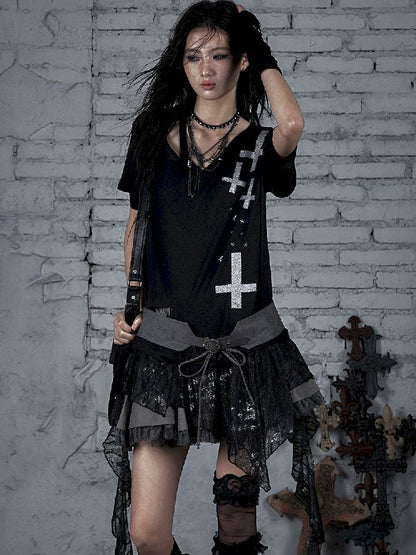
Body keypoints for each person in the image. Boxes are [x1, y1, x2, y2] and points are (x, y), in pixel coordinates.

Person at [103, 2, 324, 554]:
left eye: (219, 55)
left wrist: (256, 41)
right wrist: (132, 304)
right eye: (193, 56)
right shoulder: (151, 134)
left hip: (245, 349)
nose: (205, 68)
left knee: (235, 522)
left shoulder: (259, 145)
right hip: (164, 348)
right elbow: (136, 225)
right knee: (146, 532)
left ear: (241, 61)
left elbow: (293, 124)